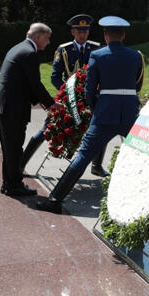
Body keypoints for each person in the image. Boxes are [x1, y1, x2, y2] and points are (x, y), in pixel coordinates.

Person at [35, 16, 145, 214]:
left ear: (105, 35)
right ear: (123, 35)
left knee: (84, 155)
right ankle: (144, 200)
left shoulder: (98, 55)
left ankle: (55, 200)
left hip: (104, 113)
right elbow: (138, 84)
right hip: (130, 112)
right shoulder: (136, 56)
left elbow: (89, 88)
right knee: (141, 154)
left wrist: (95, 107)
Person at [20, 13, 108, 177]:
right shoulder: (64, 49)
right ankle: (21, 165)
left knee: (101, 129)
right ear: (73, 32)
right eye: (79, 31)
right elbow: (55, 77)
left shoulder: (96, 48)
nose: (82, 34)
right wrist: (68, 92)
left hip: (91, 99)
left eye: (85, 31)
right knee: (47, 129)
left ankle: (97, 166)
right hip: (68, 98)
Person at [0, 23, 56, 197]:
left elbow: (25, 83)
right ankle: (14, 185)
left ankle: (8, 184)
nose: (48, 42)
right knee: (14, 148)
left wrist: (43, 103)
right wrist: (51, 105)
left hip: (5, 105)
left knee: (9, 147)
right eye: (47, 38)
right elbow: (35, 84)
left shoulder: (18, 48)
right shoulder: (29, 53)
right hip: (13, 107)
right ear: (38, 36)